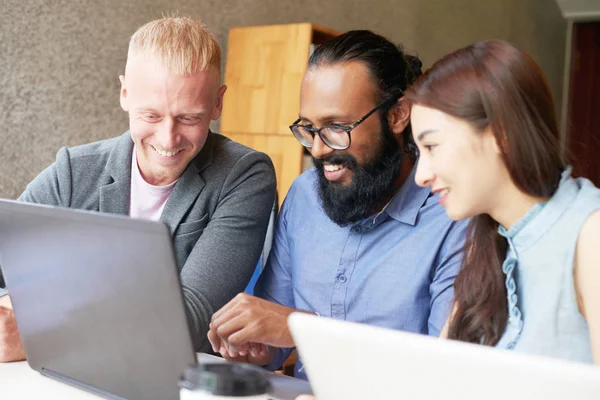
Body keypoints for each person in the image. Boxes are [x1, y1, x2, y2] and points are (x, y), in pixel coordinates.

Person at [0, 16, 276, 362]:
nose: (168, 139)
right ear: (125, 93)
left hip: (171, 378)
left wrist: (38, 330)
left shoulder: (244, 175)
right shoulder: (74, 170)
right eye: (151, 116)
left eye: (189, 118)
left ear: (218, 103)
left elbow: (187, 319)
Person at [207, 30, 469, 379]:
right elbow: (275, 337)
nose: (317, 150)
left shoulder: (453, 217)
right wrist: (251, 345)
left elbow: (446, 374)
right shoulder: (304, 195)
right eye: (309, 128)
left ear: (396, 116)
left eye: (337, 127)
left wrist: (308, 330)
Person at [406, 40, 600, 363]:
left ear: (501, 134)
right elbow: (437, 379)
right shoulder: (485, 238)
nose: (420, 176)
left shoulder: (590, 236)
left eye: (432, 147)